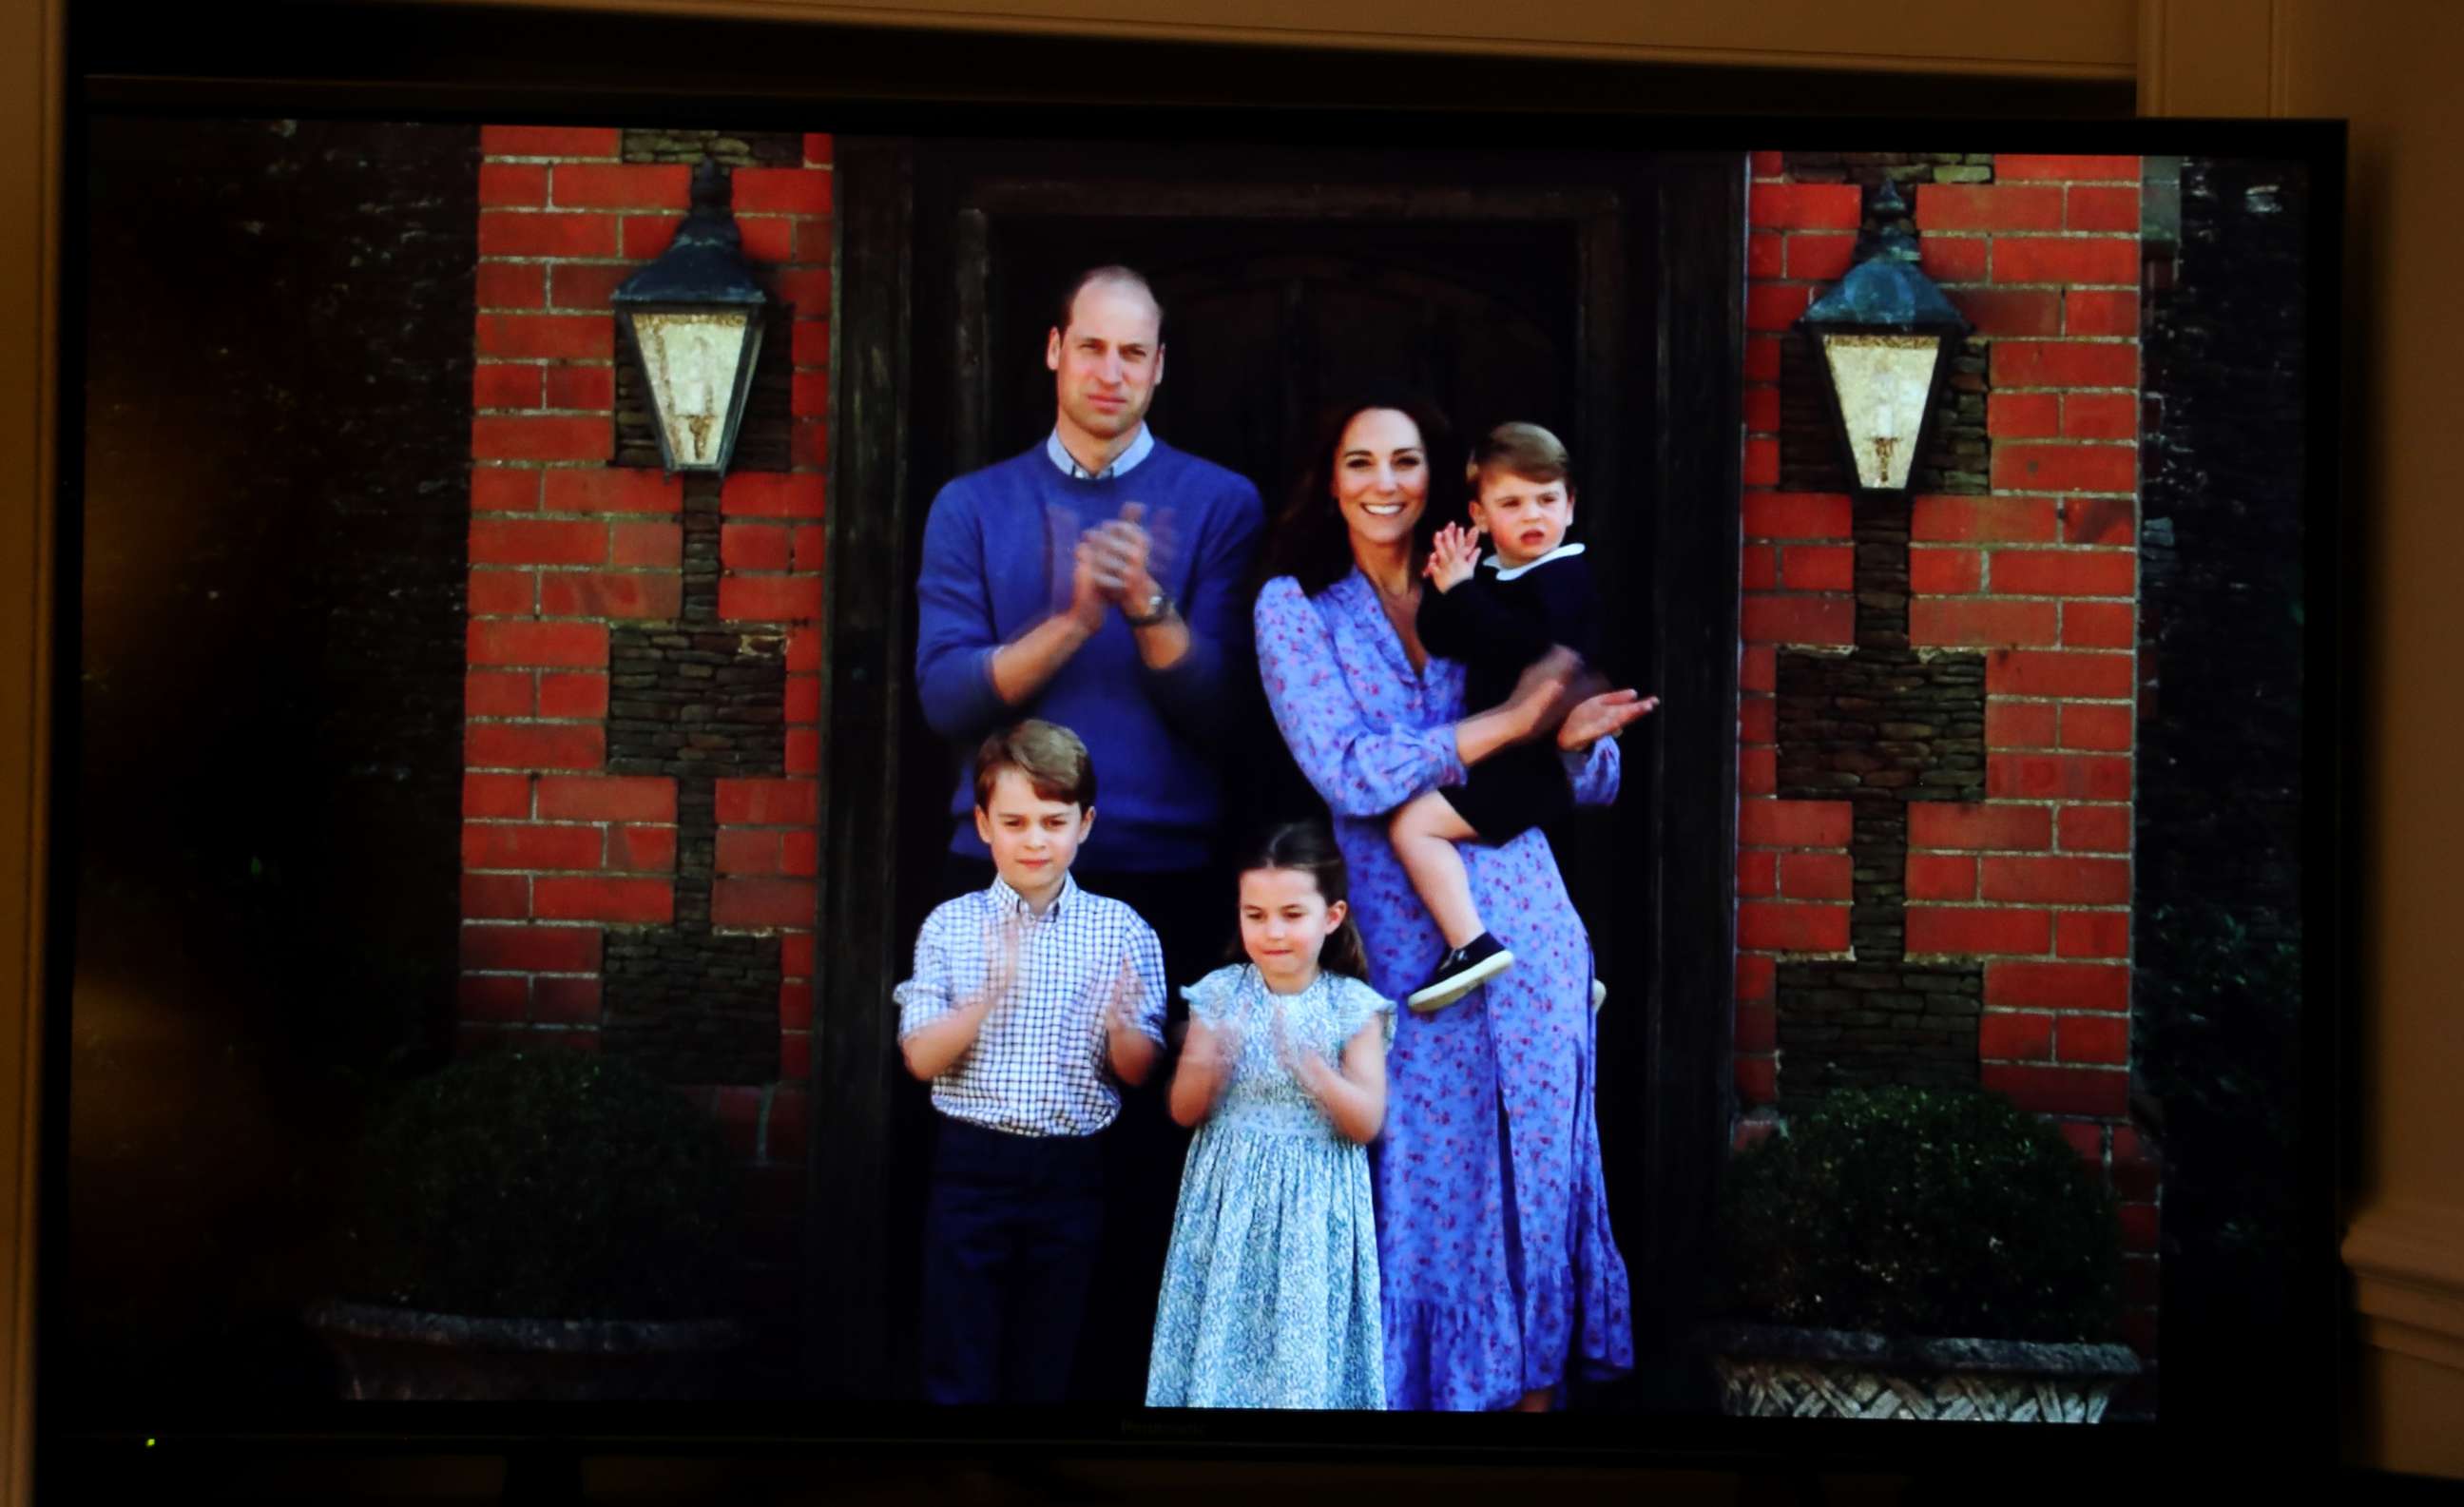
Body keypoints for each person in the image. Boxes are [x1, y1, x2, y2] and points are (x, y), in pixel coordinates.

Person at [1250, 395, 1657, 1413]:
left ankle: (1532, 1406)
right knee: (1424, 1187)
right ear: (1329, 479)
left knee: (1536, 1174)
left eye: (1405, 461)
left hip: (1532, 923)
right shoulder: (1297, 609)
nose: (1385, 482)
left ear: (1438, 481)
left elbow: (1599, 770)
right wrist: (1508, 723)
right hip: (1405, 945)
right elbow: (1347, 770)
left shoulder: (1490, 588)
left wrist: (1558, 737)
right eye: (1360, 462)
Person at [910, 264, 1265, 1400]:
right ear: (1054, 349)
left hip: (1157, 874)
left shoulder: (1219, 503)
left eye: (1135, 353)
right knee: (987, 1160)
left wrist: (1150, 608)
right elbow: (948, 700)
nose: (1112, 371)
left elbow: (1223, 716)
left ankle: (1114, 1415)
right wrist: (1068, 621)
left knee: (1133, 1177)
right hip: (1004, 873)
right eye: (1093, 347)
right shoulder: (972, 505)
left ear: (1160, 367)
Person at [893, 720, 1168, 1405]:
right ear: (983, 824)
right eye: (1014, 821)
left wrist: (1122, 1028)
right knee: (958, 1358)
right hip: (970, 1167)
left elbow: (1139, 1071)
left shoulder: (1123, 930)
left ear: (1086, 823)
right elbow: (920, 1058)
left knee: (1050, 1360)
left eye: (1054, 820)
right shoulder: (951, 925)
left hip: (1071, 1170)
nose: (1036, 839)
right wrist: (987, 994)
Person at [1390, 422, 1654, 1012]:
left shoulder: (1565, 576)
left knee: (1414, 825)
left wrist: (1462, 592)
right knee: (1525, 870)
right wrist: (1446, 586)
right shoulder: (1499, 576)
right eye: (1511, 503)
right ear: (1480, 516)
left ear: (1571, 505)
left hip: (1529, 765)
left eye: (1547, 499)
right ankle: (1562, 966)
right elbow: (1447, 636)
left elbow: (1525, 646)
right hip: (1512, 761)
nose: (1532, 515)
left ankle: (1470, 944)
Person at [1146, 822, 1393, 1410]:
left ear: (1330, 917)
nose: (1272, 931)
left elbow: (1366, 1122)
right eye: (1254, 915)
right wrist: (1206, 1059)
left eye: (1290, 914)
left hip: (1313, 1210)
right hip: (1228, 1203)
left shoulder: (1351, 1005)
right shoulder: (1222, 994)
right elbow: (1182, 1111)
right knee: (1220, 1349)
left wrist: (1314, 1070)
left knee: (1299, 1364)